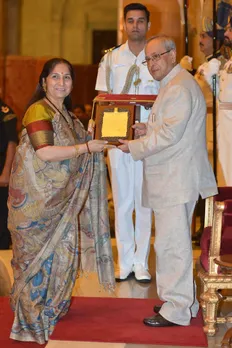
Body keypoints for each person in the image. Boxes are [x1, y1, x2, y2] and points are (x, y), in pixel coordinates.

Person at [7, 58, 115, 344]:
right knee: (33, 263)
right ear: (44, 82)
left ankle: (51, 310)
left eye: (67, 77)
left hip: (61, 203)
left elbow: (85, 142)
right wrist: (85, 147)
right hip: (35, 205)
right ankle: (29, 322)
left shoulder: (66, 115)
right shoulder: (38, 109)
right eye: (55, 77)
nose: (61, 82)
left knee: (62, 256)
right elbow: (44, 152)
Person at [118, 34, 217, 327]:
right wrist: (144, 130)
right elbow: (169, 128)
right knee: (171, 244)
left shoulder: (178, 88)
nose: (152, 63)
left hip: (176, 179)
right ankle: (183, 302)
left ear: (172, 55)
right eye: (148, 59)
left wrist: (133, 147)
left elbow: (169, 136)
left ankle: (176, 308)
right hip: (174, 178)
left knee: (172, 246)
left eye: (157, 56)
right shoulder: (176, 84)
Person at [95, 2, 159, 283]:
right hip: (118, 138)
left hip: (149, 138)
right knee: (122, 202)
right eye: (130, 20)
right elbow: (101, 96)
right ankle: (124, 262)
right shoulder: (110, 59)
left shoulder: (157, 57)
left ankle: (141, 263)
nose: (135, 25)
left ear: (148, 24)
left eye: (140, 21)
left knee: (144, 202)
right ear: (123, 24)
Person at [200, 17, 232, 186]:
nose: (226, 33)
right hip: (225, 124)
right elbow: (217, 92)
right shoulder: (228, 64)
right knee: (226, 175)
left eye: (230, 30)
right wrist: (211, 76)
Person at [0, 99, 17, 249]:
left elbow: (12, 142)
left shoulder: (5, 112)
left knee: (1, 218)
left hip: (1, 171)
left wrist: (6, 172)